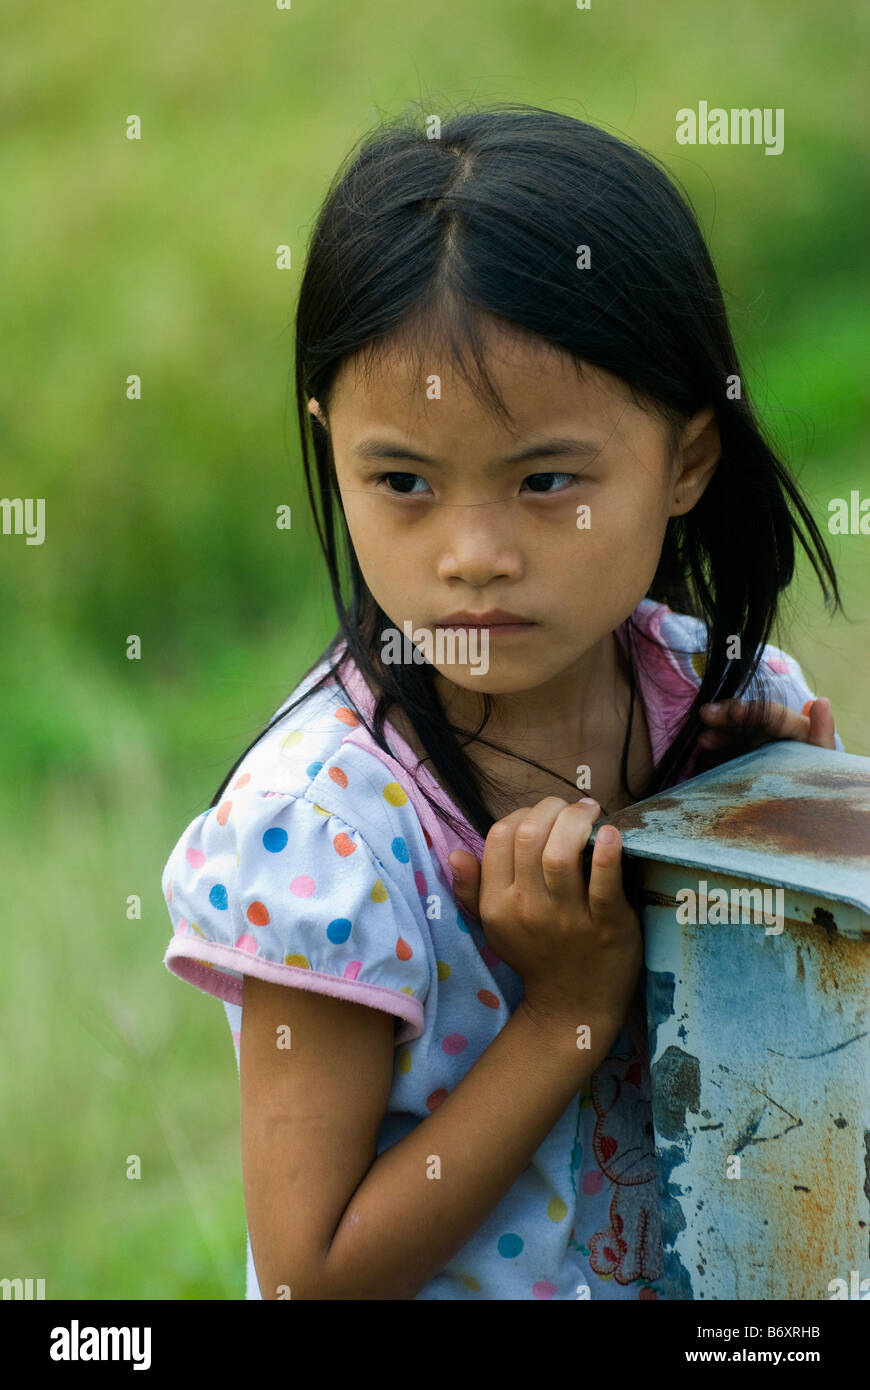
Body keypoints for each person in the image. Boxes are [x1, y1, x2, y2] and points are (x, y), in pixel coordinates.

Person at [160, 103, 845, 1300]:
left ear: (684, 461)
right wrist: (569, 1011)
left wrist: (795, 834)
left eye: (544, 481)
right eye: (404, 480)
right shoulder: (330, 837)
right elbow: (308, 1277)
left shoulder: (726, 709)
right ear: (332, 455)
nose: (473, 553)